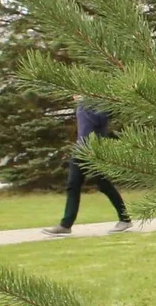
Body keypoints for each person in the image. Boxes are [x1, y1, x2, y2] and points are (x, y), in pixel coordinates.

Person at [43, 100, 132, 235]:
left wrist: (86, 103)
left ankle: (125, 220)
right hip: (81, 149)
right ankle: (65, 225)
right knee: (73, 185)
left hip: (95, 149)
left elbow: (101, 120)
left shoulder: (97, 103)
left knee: (104, 185)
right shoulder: (81, 104)